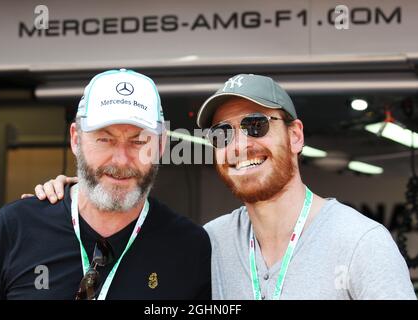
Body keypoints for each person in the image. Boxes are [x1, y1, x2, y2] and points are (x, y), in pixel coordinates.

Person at [23, 74, 416, 300]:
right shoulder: (208, 243)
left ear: (295, 136)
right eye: (223, 132)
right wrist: (74, 195)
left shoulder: (360, 243)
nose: (240, 144)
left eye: (256, 124)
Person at [0, 69, 211, 300]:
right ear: (76, 139)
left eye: (138, 141)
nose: (121, 160)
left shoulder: (188, 246)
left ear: (160, 147)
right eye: (105, 139)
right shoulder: (17, 226)